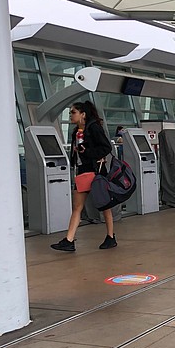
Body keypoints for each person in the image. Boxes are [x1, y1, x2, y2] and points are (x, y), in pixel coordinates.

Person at [51, 101, 117, 252]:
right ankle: (69, 240)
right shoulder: (76, 131)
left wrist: (88, 152)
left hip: (95, 171)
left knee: (104, 205)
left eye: (73, 112)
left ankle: (110, 236)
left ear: (83, 114)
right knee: (77, 206)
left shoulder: (93, 128)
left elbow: (106, 147)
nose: (71, 115)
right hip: (82, 171)